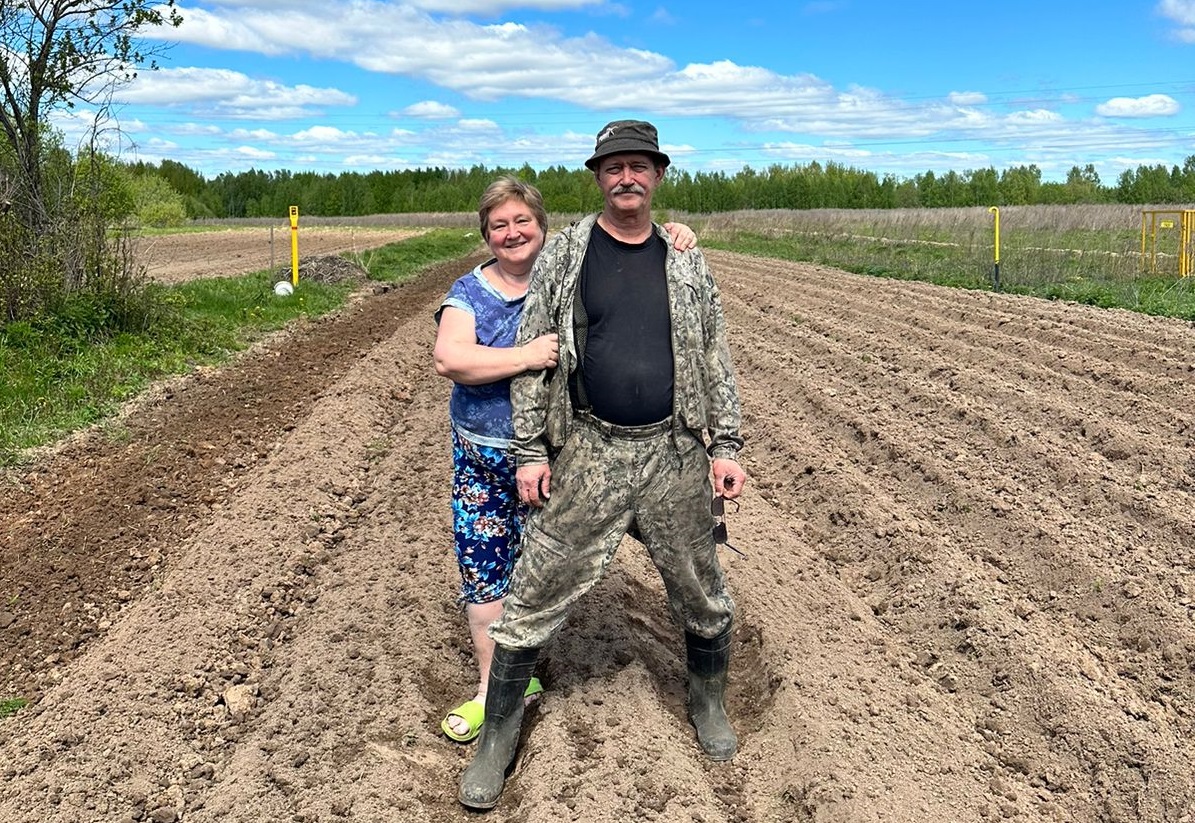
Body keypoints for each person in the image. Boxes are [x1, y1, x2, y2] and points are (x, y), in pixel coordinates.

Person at [457, 121, 746, 810]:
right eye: (613, 166)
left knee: (700, 586)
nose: (626, 177)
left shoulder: (682, 258)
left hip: (674, 452)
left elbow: (713, 351)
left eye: (637, 166)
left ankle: (707, 702)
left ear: (657, 174)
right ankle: (497, 736)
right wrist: (530, 452)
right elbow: (534, 350)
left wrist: (725, 444)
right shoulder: (564, 254)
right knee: (531, 592)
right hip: (589, 449)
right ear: (598, 177)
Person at [433, 176, 696, 743]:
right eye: (498, 225)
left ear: (543, 228)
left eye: (522, 221)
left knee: (546, 570)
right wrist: (526, 355)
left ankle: (530, 666)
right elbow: (450, 358)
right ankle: (492, 689)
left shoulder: (571, 274)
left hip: (559, 453)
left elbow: (629, 238)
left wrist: (675, 234)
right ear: (485, 235)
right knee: (485, 571)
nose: (512, 233)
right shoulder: (470, 293)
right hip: (484, 458)